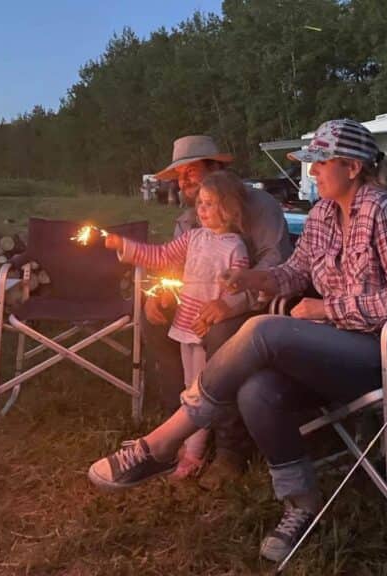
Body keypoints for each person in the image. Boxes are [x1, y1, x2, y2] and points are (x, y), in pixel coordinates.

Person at [88, 119, 387, 561]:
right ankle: (302, 503)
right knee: (256, 391)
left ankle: (162, 442)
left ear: (351, 166)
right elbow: (295, 273)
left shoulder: (381, 210)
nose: (312, 172)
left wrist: (328, 309)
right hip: (329, 346)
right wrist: (251, 277)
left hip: (381, 354)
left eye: (320, 162)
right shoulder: (324, 214)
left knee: (262, 330)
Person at [143, 135, 293, 486]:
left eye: (191, 172)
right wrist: (161, 290)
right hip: (198, 299)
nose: (184, 182)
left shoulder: (259, 206)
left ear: (216, 168)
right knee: (153, 322)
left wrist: (232, 303)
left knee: (222, 334)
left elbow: (279, 263)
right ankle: (180, 425)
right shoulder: (189, 218)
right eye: (179, 176)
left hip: (255, 303)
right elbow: (177, 264)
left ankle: (231, 448)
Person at [104, 171, 250, 479]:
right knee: (190, 386)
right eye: (200, 203)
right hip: (185, 323)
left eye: (210, 203)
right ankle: (186, 441)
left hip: (205, 327)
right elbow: (160, 255)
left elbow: (239, 289)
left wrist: (223, 306)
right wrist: (124, 246)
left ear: (229, 208)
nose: (201, 209)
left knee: (200, 390)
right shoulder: (193, 237)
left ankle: (194, 453)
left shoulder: (235, 247)